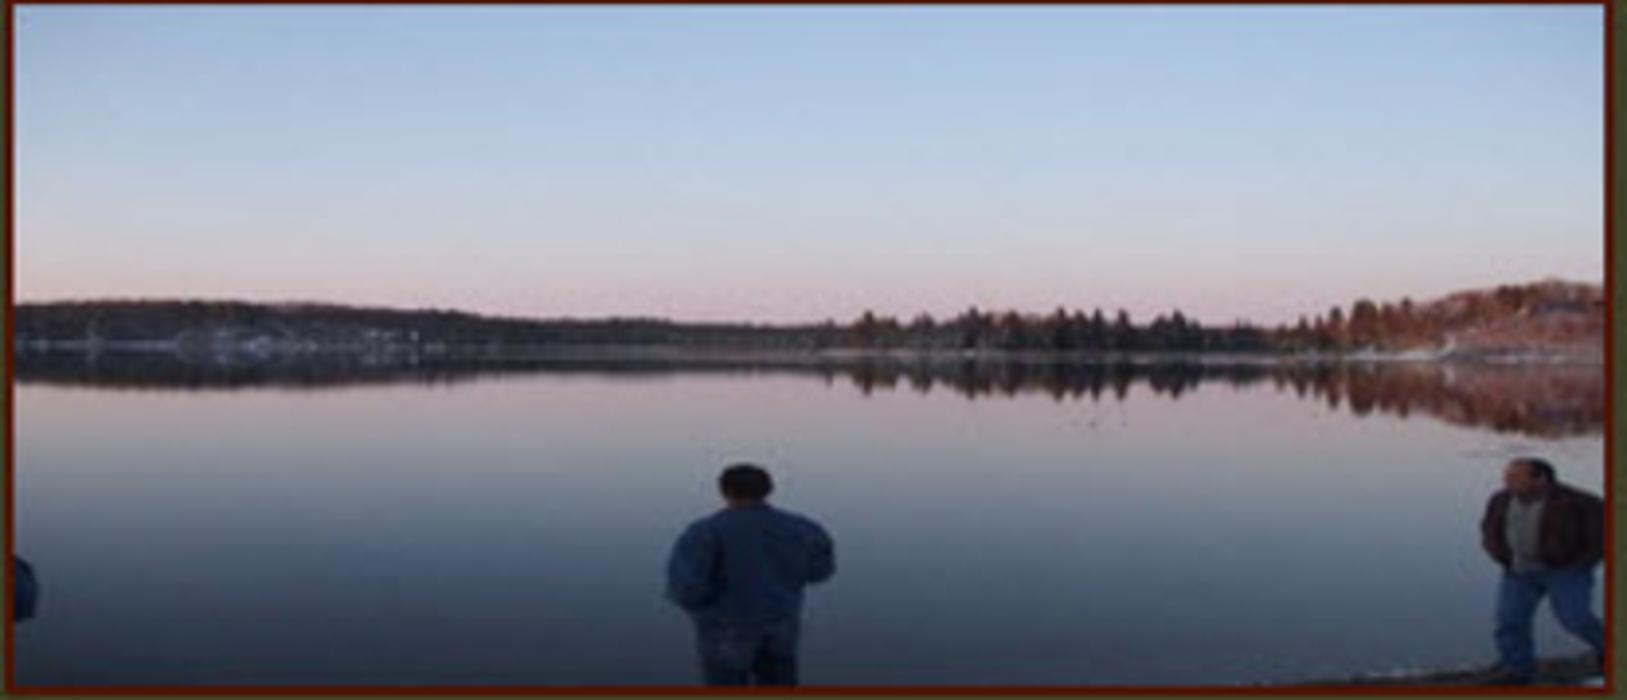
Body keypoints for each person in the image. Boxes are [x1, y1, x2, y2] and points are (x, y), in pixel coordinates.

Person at [666, 463, 835, 686]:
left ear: (724, 491)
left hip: (725, 627)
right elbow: (820, 571)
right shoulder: (802, 528)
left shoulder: (706, 531)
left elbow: (686, 588)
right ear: (768, 490)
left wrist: (702, 608)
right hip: (781, 621)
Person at [1480, 457, 1605, 685]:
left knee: (1576, 620)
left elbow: (1602, 536)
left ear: (1541, 479)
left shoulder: (1581, 502)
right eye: (1507, 476)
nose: (1506, 481)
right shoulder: (1500, 500)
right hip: (1518, 572)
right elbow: (1489, 530)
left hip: (1565, 573)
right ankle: (1518, 672)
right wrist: (1500, 555)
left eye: (1515, 477)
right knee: (1509, 622)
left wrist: (1582, 563)